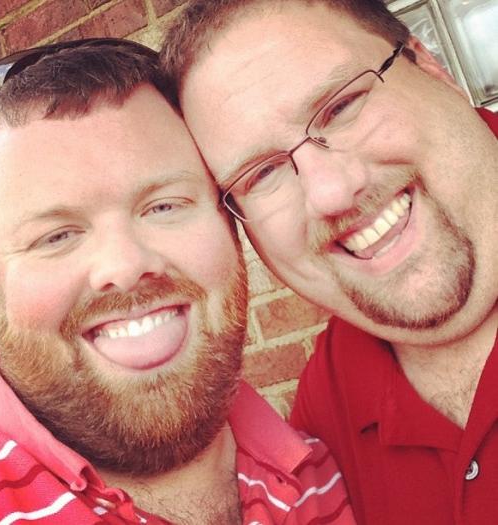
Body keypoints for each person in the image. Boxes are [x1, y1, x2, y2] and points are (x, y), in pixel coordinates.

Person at [0, 39, 354, 524]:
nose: (124, 266)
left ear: (228, 224)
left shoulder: (326, 471)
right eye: (57, 236)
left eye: (163, 206)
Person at [160, 1, 498, 524]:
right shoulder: (326, 412)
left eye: (341, 107)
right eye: (262, 173)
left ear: (430, 65)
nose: (330, 193)